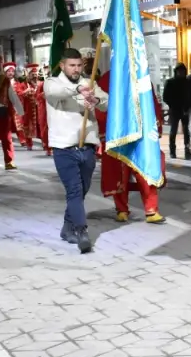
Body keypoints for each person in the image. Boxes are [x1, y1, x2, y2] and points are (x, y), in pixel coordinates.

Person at [45, 47, 107, 253]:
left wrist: (96, 100)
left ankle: (67, 227)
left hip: (87, 144)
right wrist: (78, 90)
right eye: (72, 65)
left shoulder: (89, 83)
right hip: (64, 147)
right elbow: (55, 94)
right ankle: (81, 231)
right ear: (62, 65)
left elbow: (106, 102)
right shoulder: (53, 83)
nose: (76, 69)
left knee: (83, 190)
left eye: (79, 65)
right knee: (74, 190)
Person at [96, 70, 165, 224]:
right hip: (118, 134)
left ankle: (151, 209)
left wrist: (156, 126)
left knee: (146, 171)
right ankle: (121, 209)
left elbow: (151, 103)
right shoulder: (108, 78)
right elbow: (100, 107)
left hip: (142, 134)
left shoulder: (142, 76)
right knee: (119, 174)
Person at [163, 64, 191, 159]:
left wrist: (188, 107)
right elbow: (166, 97)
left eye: (183, 71)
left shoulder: (187, 82)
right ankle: (172, 151)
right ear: (176, 72)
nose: (181, 73)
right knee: (173, 130)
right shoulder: (170, 82)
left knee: (186, 131)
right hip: (175, 110)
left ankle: (187, 151)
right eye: (179, 71)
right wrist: (173, 105)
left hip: (185, 109)